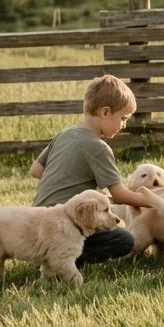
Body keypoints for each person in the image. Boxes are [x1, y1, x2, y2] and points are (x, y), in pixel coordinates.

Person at [29, 74, 152, 266]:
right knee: (124, 240)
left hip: (35, 227)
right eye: (123, 118)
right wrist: (155, 201)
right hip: (65, 228)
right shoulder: (99, 147)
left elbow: (35, 170)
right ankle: (61, 257)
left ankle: (47, 254)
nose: (124, 125)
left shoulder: (63, 134)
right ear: (105, 112)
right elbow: (119, 195)